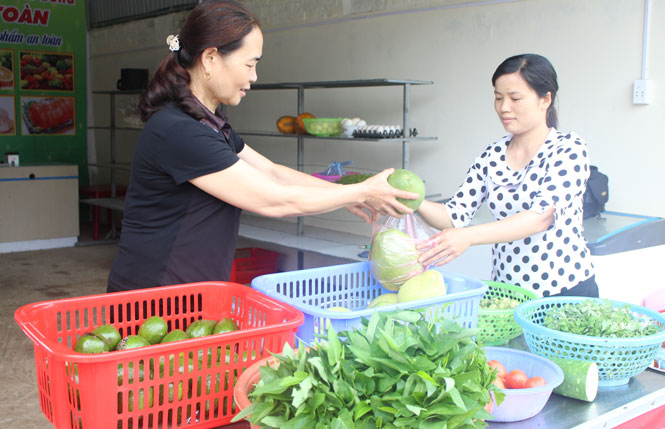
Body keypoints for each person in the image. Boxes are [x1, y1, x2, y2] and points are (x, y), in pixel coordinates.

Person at [107, 0, 418, 293]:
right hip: (152, 300)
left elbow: (271, 172)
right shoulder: (178, 131)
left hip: (191, 294)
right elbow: (274, 201)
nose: (254, 77)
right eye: (249, 64)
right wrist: (361, 192)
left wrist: (341, 194)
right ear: (211, 58)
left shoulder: (209, 122)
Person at [416, 54, 598, 298]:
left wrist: (468, 236)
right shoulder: (492, 155)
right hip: (507, 295)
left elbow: (540, 217)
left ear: (545, 100)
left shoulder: (568, 148)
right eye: (498, 97)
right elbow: (454, 215)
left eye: (515, 98)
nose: (504, 107)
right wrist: (412, 200)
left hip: (564, 294)